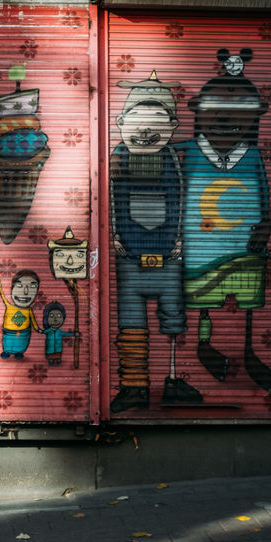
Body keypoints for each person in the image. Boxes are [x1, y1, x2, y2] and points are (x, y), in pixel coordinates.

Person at [178, 57, 271, 392]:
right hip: (199, 251)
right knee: (203, 300)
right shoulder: (187, 152)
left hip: (245, 248)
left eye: (239, 111)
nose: (225, 119)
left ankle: (248, 351)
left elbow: (264, 194)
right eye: (215, 110)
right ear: (199, 112)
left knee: (245, 301)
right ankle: (204, 346)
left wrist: (265, 226)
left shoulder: (252, 156)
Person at [109, 71, 201, 412]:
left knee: (173, 317)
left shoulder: (170, 159)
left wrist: (177, 240)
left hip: (167, 253)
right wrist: (115, 235)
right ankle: (134, 386)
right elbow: (115, 199)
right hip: (130, 253)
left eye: (157, 122)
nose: (146, 131)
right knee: (131, 319)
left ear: (173, 126)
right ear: (121, 123)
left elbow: (178, 199)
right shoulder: (119, 156)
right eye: (138, 121)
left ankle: (174, 378)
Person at [0, 270, 41, 359]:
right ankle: (7, 351)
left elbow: (33, 321)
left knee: (21, 343)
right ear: (12, 289)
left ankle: (19, 352)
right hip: (9, 332)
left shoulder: (28, 310)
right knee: (8, 342)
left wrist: (37, 329)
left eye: (32, 286)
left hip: (23, 333)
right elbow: (2, 293)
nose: (25, 292)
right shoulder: (9, 306)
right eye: (19, 285)